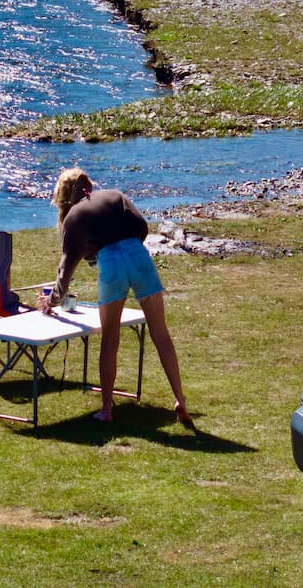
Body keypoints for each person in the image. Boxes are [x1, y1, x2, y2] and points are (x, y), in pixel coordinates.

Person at [45, 167, 191, 426]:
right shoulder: (114, 195)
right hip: (139, 257)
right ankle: (180, 398)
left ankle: (107, 410)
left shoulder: (73, 219)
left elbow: (64, 271)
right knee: (161, 334)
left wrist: (53, 300)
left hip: (111, 264)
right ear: (88, 185)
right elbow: (142, 226)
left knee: (110, 339)